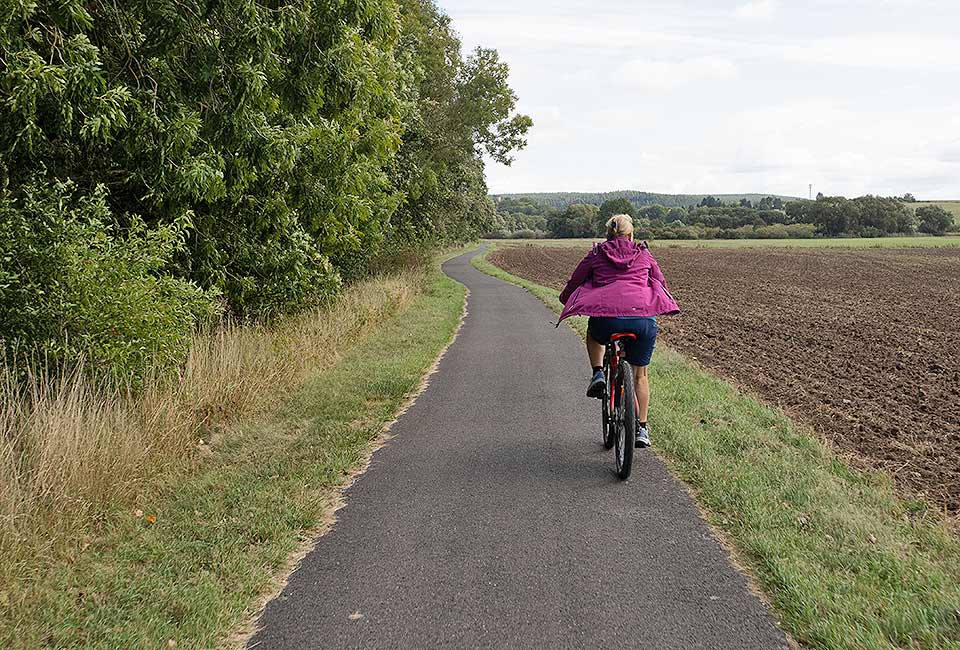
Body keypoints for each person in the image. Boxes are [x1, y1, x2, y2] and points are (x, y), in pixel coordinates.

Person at [558, 215, 679, 448]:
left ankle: (598, 373)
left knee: (594, 332)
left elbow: (575, 281)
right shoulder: (643, 253)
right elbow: (660, 282)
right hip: (641, 320)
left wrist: (566, 299)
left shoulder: (597, 253)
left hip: (607, 319)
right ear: (631, 234)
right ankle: (642, 429)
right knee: (640, 375)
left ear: (607, 235)